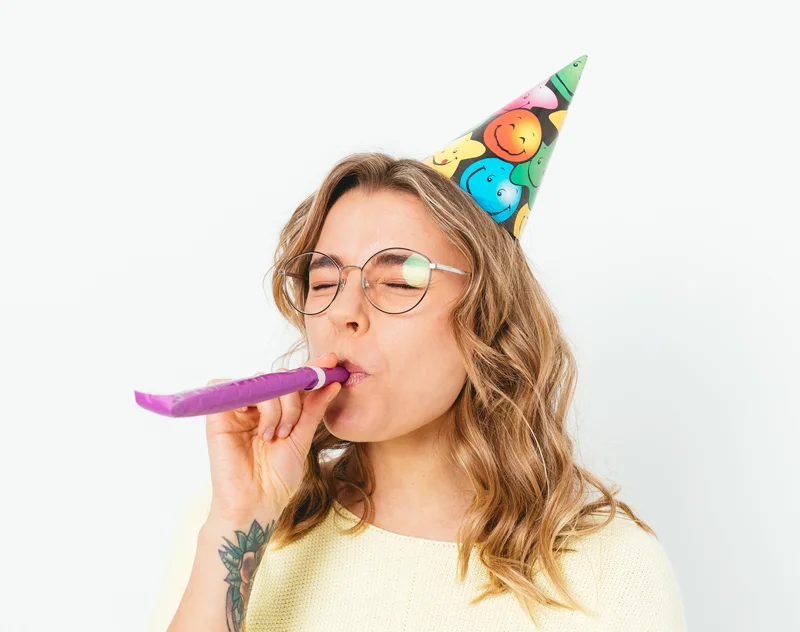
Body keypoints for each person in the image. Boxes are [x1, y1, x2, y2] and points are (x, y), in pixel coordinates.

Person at [150, 57, 686, 632]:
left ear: (489, 315)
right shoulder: (237, 524)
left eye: (398, 280)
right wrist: (238, 522)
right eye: (324, 280)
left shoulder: (607, 572)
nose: (343, 314)